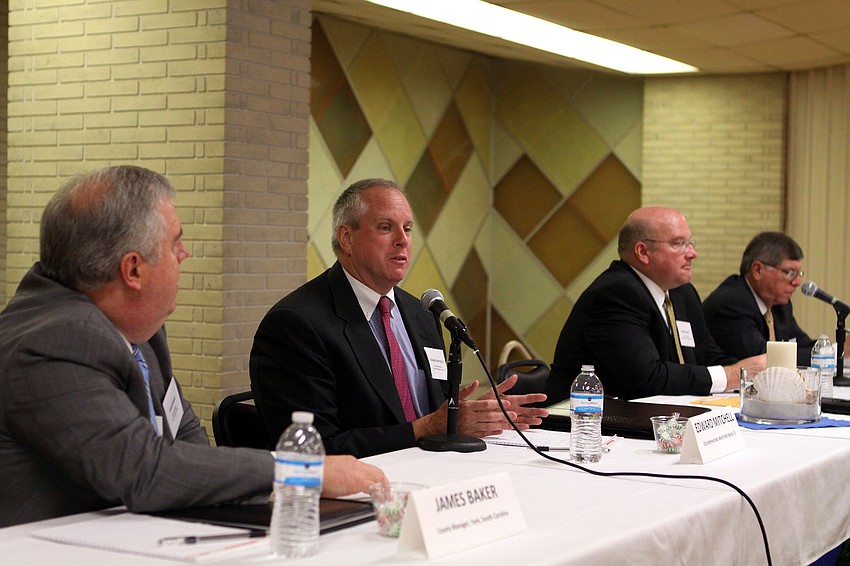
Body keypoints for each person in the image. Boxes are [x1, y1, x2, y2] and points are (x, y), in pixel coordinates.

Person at [0, 166, 385, 528]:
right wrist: (303, 473)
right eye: (174, 243)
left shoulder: (137, 324)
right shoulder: (53, 341)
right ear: (133, 270)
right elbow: (142, 470)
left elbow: (185, 438)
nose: (183, 255)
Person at [250, 178, 547, 458]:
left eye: (407, 228)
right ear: (346, 238)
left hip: (435, 473)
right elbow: (315, 448)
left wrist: (469, 415)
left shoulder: (423, 313)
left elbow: (437, 412)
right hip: (358, 491)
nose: (402, 240)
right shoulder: (296, 325)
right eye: (385, 227)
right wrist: (426, 429)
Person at [544, 206, 764, 403]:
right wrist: (733, 375)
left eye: (689, 243)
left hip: (651, 420)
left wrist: (756, 376)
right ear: (643, 252)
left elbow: (707, 355)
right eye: (679, 244)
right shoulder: (615, 294)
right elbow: (647, 378)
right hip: (582, 426)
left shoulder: (682, 293)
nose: (692, 254)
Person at [703, 232, 817, 366]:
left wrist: (834, 350)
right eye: (790, 273)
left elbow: (802, 344)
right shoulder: (731, 303)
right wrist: (829, 354)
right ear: (757, 270)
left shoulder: (779, 304)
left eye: (799, 273)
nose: (797, 281)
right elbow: (763, 358)